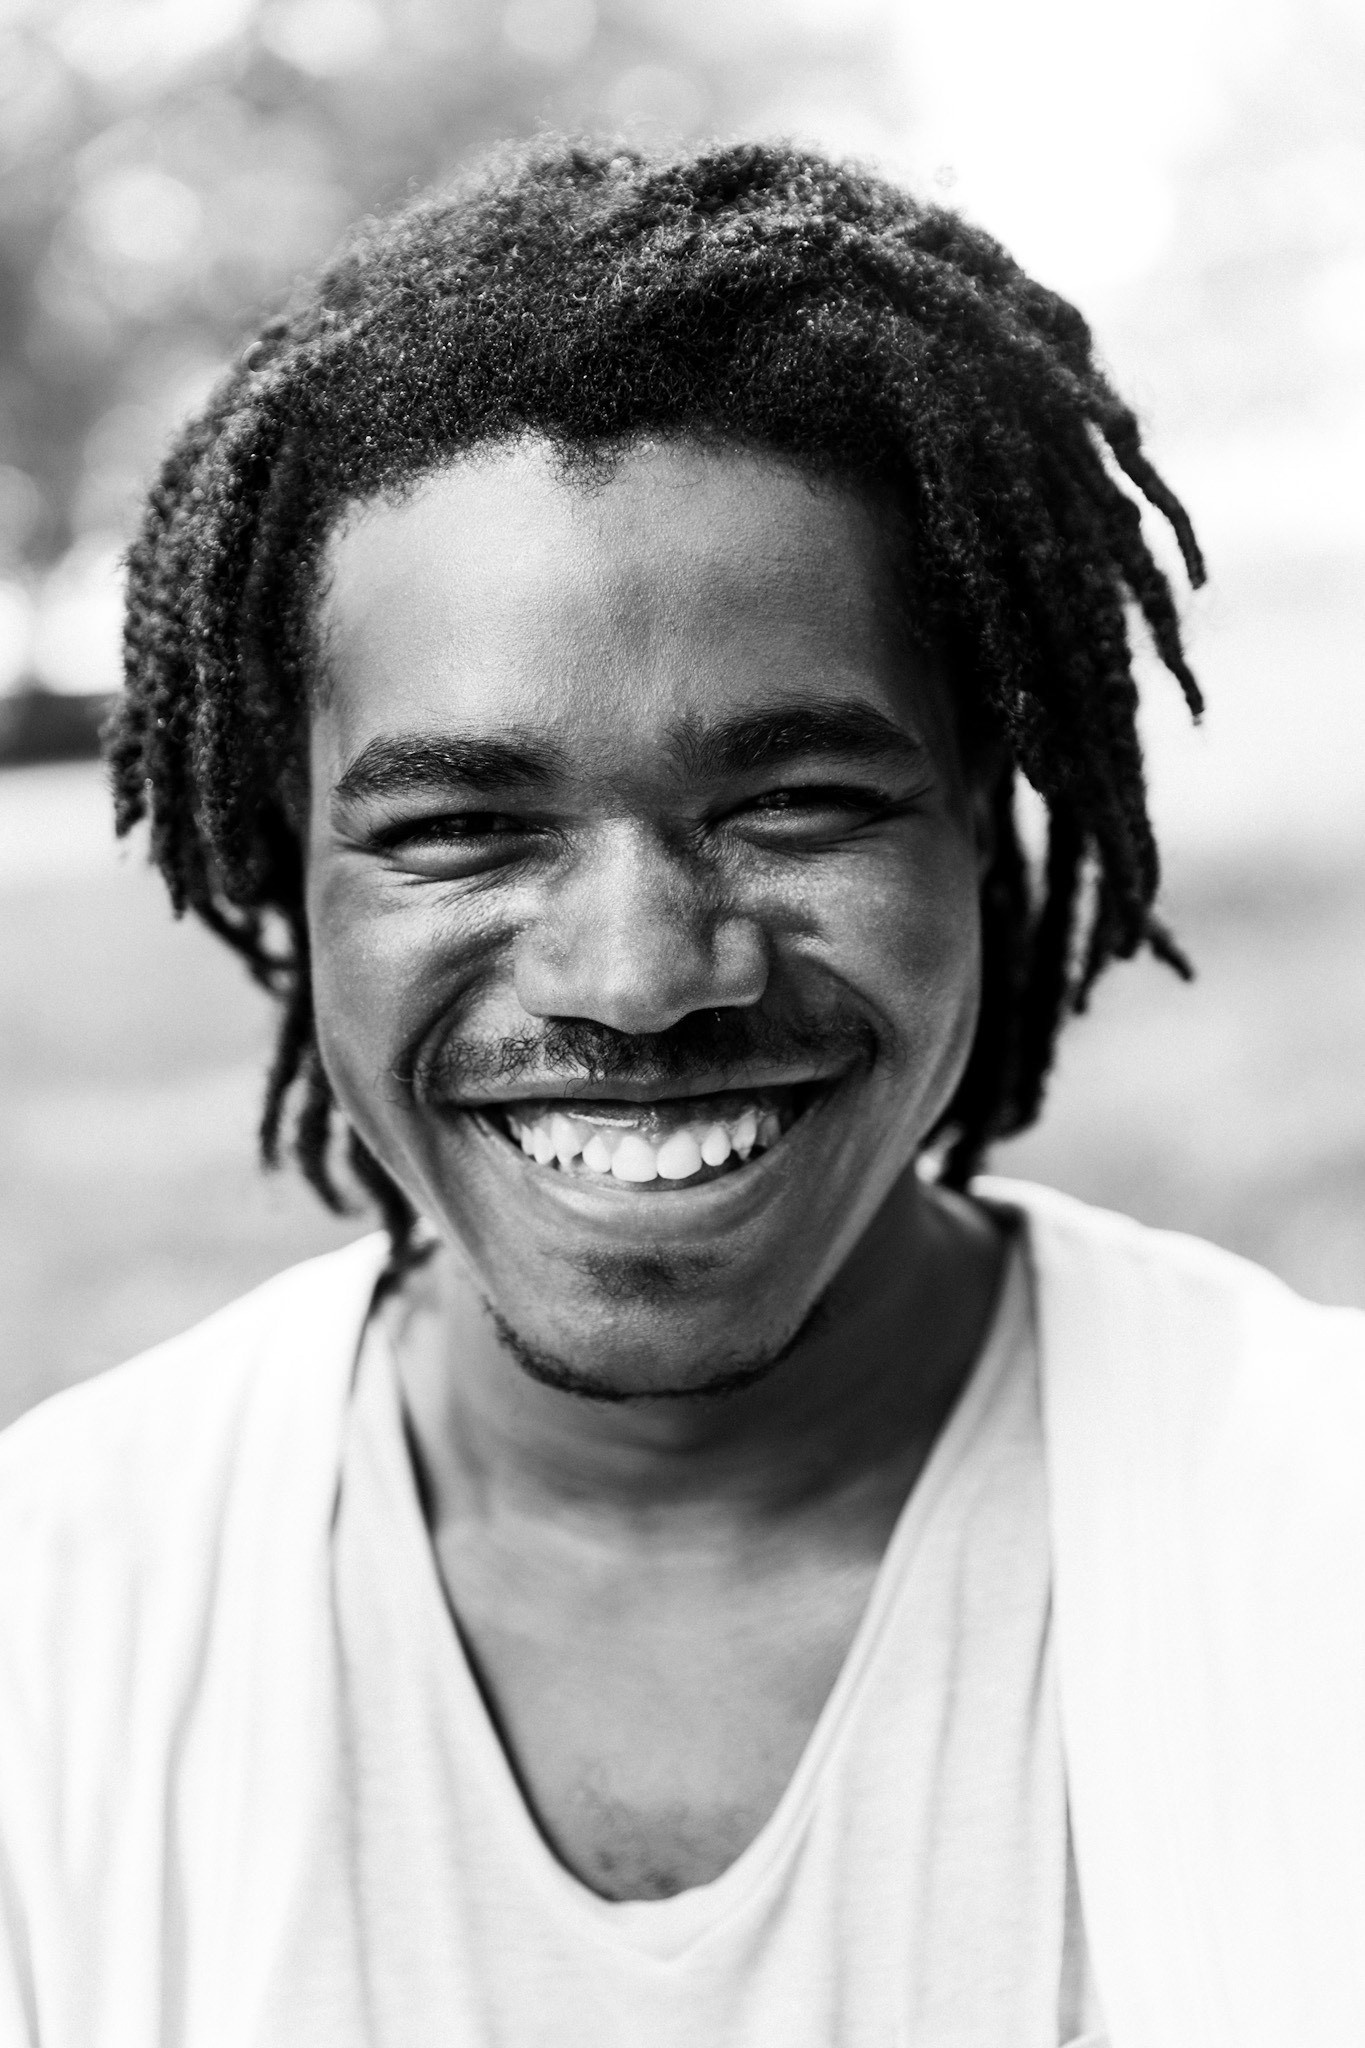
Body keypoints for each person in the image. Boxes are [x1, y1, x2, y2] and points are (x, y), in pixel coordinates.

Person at [1, 139, 1360, 2048]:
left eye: (794, 803)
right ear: (282, 863)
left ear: (976, 825)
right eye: (464, 826)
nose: (638, 980)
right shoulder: (55, 1627)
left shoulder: (1317, 1539)